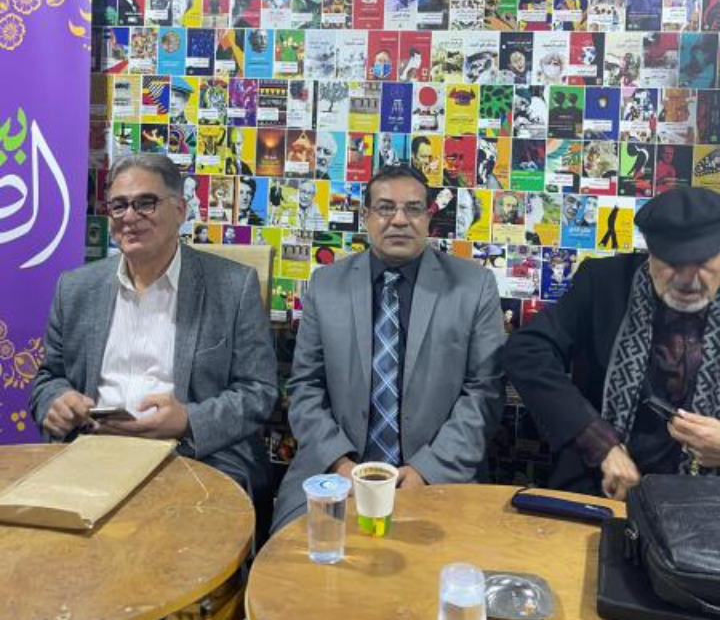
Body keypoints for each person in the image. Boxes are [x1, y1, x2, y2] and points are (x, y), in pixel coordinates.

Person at [30, 154, 278, 540]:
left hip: (193, 454)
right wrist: (56, 401)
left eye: (145, 203)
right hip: (92, 450)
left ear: (180, 210)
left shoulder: (232, 287)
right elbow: (49, 377)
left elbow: (258, 392)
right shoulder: (75, 288)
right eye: (118, 205)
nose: (129, 216)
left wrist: (189, 420)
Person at [272, 165, 505, 530]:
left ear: (428, 218)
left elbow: (484, 394)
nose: (399, 220)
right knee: (295, 554)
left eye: (413, 209)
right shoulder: (326, 285)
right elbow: (305, 386)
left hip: (440, 474)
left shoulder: (474, 287)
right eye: (385, 208)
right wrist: (340, 464)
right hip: (334, 470)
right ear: (366, 216)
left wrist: (426, 471)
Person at [502, 186, 720, 501]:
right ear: (649, 253)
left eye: (702, 262)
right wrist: (598, 442)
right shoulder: (604, 282)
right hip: (601, 487)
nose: (687, 278)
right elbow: (525, 351)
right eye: (672, 262)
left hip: (706, 504)